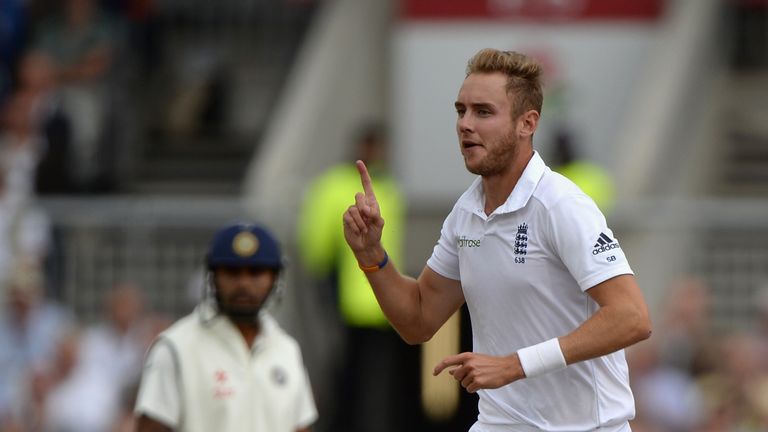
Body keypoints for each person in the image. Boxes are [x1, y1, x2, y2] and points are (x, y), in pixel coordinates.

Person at [342, 48, 652, 431]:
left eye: (483, 112)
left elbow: (632, 318)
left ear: (527, 123)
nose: (465, 125)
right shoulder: (465, 213)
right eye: (461, 111)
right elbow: (418, 320)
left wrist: (513, 365)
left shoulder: (560, 204)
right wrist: (372, 257)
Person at [134, 222, 318, 432]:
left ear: (275, 277)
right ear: (213, 276)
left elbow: (301, 427)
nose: (244, 284)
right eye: (232, 271)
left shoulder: (287, 349)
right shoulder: (176, 347)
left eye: (256, 272)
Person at [297, 122, 410, 432]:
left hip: (375, 299)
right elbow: (317, 250)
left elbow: (316, 249)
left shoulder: (382, 187)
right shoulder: (351, 186)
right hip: (354, 300)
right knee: (353, 376)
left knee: (365, 378)